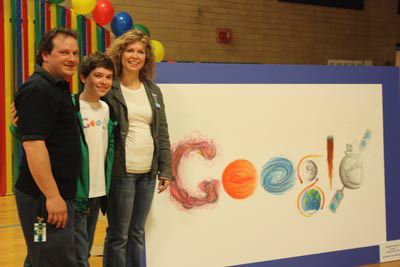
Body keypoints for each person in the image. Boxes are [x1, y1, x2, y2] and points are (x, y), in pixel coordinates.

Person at [102, 29, 174, 267]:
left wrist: (165, 169)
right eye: (130, 50)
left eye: (140, 52)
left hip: (148, 174)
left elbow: (161, 130)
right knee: (118, 235)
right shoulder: (109, 87)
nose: (135, 56)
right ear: (120, 54)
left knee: (137, 233)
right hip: (121, 173)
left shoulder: (152, 90)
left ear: (147, 57)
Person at [13, 28, 81, 267]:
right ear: (45, 54)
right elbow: (33, 146)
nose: (72, 58)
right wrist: (53, 196)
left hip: (50, 197)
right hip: (43, 200)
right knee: (54, 258)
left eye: (75, 52)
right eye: (64, 52)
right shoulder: (38, 90)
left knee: (40, 254)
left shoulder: (56, 87)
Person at [73, 51, 116, 267]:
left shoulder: (106, 109)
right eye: (98, 75)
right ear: (83, 77)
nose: (104, 81)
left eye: (108, 77)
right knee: (79, 255)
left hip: (97, 191)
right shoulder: (70, 106)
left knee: (85, 250)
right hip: (76, 193)